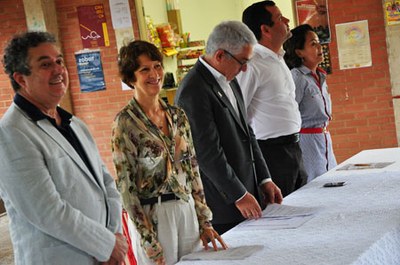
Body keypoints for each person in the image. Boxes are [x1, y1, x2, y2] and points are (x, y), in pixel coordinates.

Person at [0, 31, 127, 265]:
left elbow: (107, 184)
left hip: (102, 255)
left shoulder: (74, 124)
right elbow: (47, 211)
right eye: (45, 64)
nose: (58, 70)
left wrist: (113, 237)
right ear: (20, 78)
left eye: (59, 61)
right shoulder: (11, 133)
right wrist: (106, 245)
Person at [111, 40, 227, 265]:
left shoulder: (178, 116)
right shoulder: (125, 123)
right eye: (144, 69)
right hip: (154, 216)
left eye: (157, 66)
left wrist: (205, 221)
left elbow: (192, 169)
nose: (154, 74)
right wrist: (147, 240)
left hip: (186, 211)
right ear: (130, 78)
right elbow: (126, 186)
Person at [175, 20, 283, 235]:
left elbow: (247, 133)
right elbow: (207, 153)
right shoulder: (193, 90)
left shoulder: (229, 78)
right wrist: (238, 195)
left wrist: (264, 179)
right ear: (220, 55)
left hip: (248, 191)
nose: (245, 69)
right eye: (242, 61)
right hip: (224, 203)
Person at [238, 1, 307, 197]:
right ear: (265, 29)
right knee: (281, 215)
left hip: (293, 147)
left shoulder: (278, 58)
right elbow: (238, 111)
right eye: (279, 18)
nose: (286, 21)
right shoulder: (252, 64)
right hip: (270, 152)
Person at [283, 24, 337, 182]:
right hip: (306, 142)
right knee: (315, 184)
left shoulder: (320, 76)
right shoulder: (297, 77)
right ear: (299, 52)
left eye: (319, 42)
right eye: (313, 44)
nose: (320, 46)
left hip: (324, 138)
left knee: (331, 180)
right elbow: (290, 114)